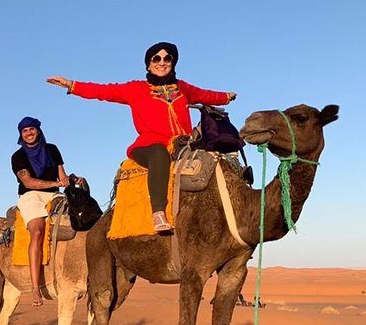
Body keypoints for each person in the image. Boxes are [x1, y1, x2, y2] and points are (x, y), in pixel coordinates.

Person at [47, 41, 236, 234]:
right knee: (159, 155)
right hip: (149, 146)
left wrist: (226, 96)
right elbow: (104, 91)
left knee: (219, 158)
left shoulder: (182, 87)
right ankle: (158, 213)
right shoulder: (135, 88)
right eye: (156, 58)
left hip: (183, 145)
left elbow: (205, 95)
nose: (162, 62)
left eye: (167, 58)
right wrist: (72, 85)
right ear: (148, 64)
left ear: (173, 63)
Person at [12, 117, 68, 307]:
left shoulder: (52, 149)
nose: (28, 133)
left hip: (54, 194)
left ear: (38, 131)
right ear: (21, 135)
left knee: (78, 219)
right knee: (37, 231)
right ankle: (36, 287)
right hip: (31, 195)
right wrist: (56, 184)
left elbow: (62, 175)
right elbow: (28, 182)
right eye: (24, 131)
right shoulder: (18, 156)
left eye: (31, 129)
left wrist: (70, 180)